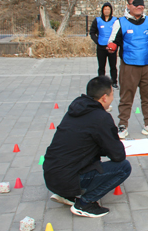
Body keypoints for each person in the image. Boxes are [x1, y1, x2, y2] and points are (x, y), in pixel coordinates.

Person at [43, 76, 131, 218]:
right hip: (67, 179)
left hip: (51, 175)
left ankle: (67, 195)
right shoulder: (101, 118)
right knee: (124, 167)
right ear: (104, 97)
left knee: (90, 156)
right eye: (112, 94)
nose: (113, 98)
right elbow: (118, 155)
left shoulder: (76, 109)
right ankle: (85, 203)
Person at [108, 0, 148, 138]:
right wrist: (111, 47)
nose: (139, 6)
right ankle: (122, 125)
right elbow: (113, 41)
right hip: (129, 65)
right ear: (128, 5)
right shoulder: (120, 22)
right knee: (126, 96)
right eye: (135, 3)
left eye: (141, 3)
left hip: (147, 65)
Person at [90, 2, 118, 89]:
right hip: (101, 47)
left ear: (111, 10)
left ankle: (114, 82)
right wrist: (97, 41)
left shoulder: (115, 20)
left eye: (108, 9)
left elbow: (119, 33)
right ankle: (101, 83)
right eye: (105, 9)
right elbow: (92, 32)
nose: (106, 11)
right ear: (102, 10)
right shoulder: (97, 20)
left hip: (112, 47)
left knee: (113, 66)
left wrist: (115, 43)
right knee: (101, 66)